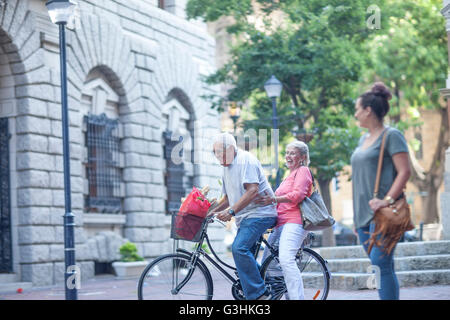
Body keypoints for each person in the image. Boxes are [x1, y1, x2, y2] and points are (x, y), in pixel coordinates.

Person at [351, 82, 411, 300]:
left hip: (384, 213)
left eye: (358, 109)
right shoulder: (363, 139)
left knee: (380, 263)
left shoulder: (391, 135)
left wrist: (385, 200)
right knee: (381, 267)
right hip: (363, 216)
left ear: (368, 110)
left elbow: (404, 172)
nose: (356, 113)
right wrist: (357, 220)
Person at [211, 132, 277, 300]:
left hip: (260, 214)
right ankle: (267, 283)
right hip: (247, 217)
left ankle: (259, 295)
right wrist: (208, 213)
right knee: (243, 255)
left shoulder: (245, 159)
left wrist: (231, 211)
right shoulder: (226, 168)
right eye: (215, 153)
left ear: (231, 149)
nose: (217, 156)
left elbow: (253, 190)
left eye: (219, 152)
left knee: (239, 248)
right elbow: (227, 199)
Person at [255, 140, 313, 300]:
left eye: (292, 153)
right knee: (269, 262)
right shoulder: (290, 175)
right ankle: (283, 295)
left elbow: (298, 195)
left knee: (286, 259)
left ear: (302, 157)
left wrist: (274, 199)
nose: (288, 156)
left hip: (294, 222)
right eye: (287, 153)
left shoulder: (303, 170)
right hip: (281, 224)